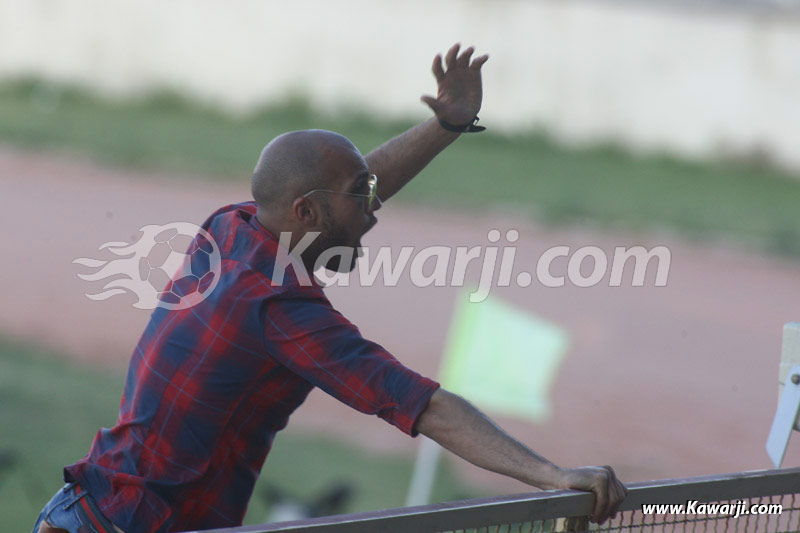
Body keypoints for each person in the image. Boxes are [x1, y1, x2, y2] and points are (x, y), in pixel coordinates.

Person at [33, 44, 627, 533]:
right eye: (358, 199)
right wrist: (554, 476)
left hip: (89, 510)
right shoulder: (280, 312)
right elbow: (420, 404)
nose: (373, 211)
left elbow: (344, 184)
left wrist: (445, 126)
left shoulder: (233, 226)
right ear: (307, 213)